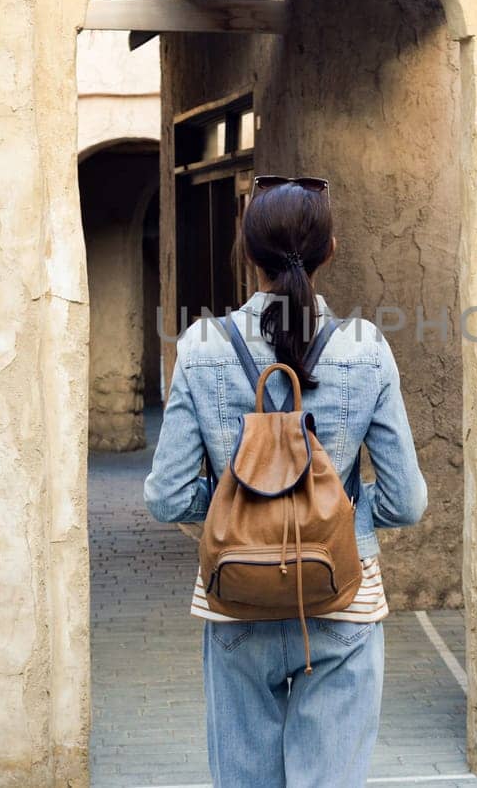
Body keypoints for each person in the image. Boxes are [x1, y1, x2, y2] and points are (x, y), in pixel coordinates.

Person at [144, 175, 428, 788]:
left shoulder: (199, 346)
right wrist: (342, 513)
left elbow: (165, 495)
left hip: (235, 600)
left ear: (248, 256)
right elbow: (408, 501)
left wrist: (230, 504)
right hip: (343, 599)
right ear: (331, 250)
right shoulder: (367, 348)